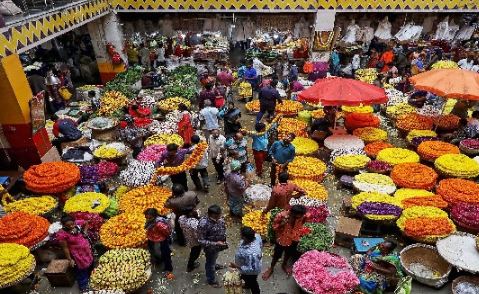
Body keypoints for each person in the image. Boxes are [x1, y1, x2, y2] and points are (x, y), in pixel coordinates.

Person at [262, 205, 309, 280]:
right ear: (291, 214)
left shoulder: (303, 216)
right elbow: (274, 227)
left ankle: (284, 264)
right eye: (296, 217)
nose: (298, 219)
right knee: (277, 255)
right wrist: (282, 224)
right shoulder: (281, 216)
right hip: (282, 239)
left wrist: (302, 229)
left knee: (289, 252)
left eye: (300, 217)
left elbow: (306, 217)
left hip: (294, 238)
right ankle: (271, 268)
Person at [57, 215, 94, 292]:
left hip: (86, 250)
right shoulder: (62, 234)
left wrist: (85, 232)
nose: (71, 226)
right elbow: (65, 248)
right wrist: (70, 259)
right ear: (63, 225)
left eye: (72, 224)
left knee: (90, 264)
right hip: (77, 255)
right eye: (68, 225)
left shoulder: (77, 224)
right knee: (81, 270)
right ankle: (83, 286)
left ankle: (90, 276)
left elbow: (86, 223)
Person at [198, 205, 228, 288]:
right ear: (212, 215)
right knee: (210, 263)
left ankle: (215, 265)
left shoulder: (219, 219)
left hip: (219, 245)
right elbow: (201, 240)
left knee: (215, 257)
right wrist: (215, 243)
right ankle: (211, 280)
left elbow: (222, 226)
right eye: (218, 215)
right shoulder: (203, 224)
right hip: (210, 248)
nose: (220, 216)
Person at [230, 227, 263, 294]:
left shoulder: (251, 254)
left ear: (245, 237)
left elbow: (251, 269)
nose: (240, 235)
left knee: (253, 283)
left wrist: (236, 266)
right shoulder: (257, 236)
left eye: (241, 234)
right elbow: (261, 245)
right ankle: (248, 285)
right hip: (247, 264)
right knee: (246, 279)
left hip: (250, 272)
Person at [144, 208, 174, 278]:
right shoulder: (150, 222)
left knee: (165, 254)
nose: (147, 219)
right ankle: (159, 260)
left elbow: (167, 232)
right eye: (146, 217)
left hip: (160, 240)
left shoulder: (159, 224)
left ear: (154, 216)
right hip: (152, 239)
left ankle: (168, 268)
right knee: (154, 252)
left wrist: (163, 238)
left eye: (149, 218)